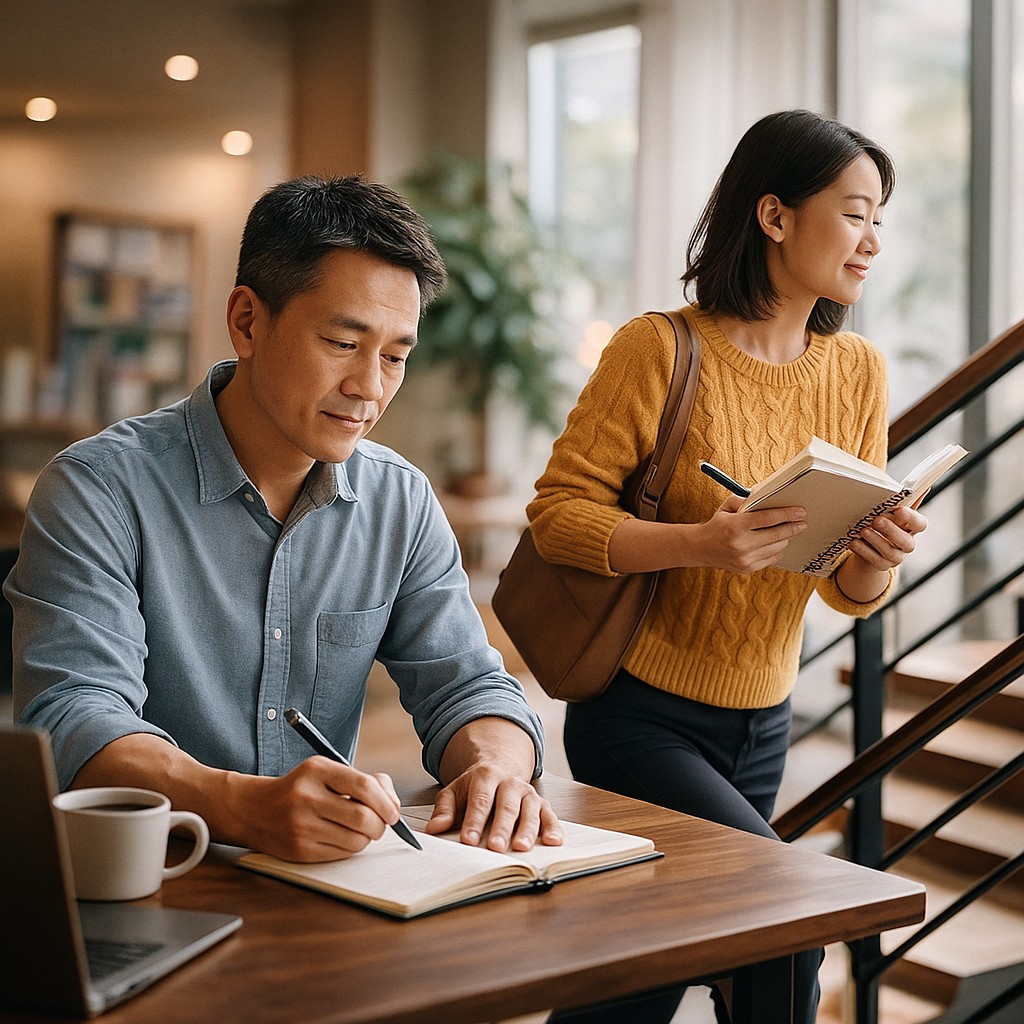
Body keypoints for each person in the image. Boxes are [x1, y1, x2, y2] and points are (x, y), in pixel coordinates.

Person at [6, 174, 563, 863]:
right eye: (341, 343)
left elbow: (469, 686)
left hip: (330, 887)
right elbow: (73, 720)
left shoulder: (400, 501)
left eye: (395, 356)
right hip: (154, 874)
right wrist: (243, 805)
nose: (369, 388)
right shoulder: (97, 489)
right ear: (247, 321)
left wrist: (496, 770)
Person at [528, 109, 928, 1023]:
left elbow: (846, 588)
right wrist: (700, 542)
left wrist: (876, 554)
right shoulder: (659, 346)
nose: (873, 241)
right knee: (783, 941)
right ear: (776, 216)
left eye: (880, 219)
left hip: (763, 723)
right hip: (638, 717)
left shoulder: (858, 370)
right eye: (857, 212)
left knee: (634, 977)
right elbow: (558, 516)